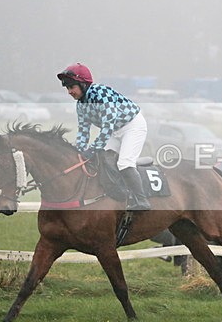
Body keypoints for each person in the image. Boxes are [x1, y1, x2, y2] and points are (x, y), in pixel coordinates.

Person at [57, 63, 151, 211]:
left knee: (124, 163)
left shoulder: (101, 93)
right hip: (115, 131)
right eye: (67, 88)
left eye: (71, 87)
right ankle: (118, 193)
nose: (69, 92)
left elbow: (107, 126)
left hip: (132, 126)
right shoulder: (81, 105)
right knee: (102, 161)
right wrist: (79, 151)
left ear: (83, 84)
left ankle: (142, 200)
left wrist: (93, 148)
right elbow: (83, 131)